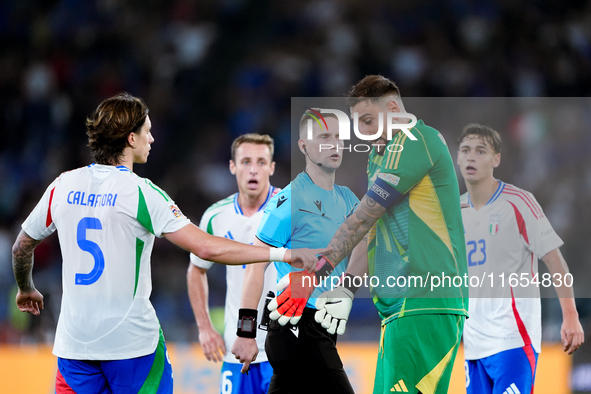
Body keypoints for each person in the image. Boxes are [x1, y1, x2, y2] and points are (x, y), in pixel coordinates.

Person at [11, 92, 321, 394]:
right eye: (147, 131)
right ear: (131, 139)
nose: (152, 139)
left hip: (74, 346)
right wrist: (281, 252)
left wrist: (26, 288)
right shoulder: (141, 192)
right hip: (131, 346)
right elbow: (206, 248)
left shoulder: (62, 185)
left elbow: (21, 247)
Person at [272, 75, 469, 394]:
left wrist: (315, 274)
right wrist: (347, 287)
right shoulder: (381, 153)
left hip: (424, 300)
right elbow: (372, 226)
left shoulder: (415, 140)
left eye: (367, 121)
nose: (362, 132)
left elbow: (362, 217)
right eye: (358, 125)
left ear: (393, 108)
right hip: (399, 307)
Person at [231, 109, 365, 394]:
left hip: (324, 326)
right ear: (304, 145)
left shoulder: (348, 199)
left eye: (339, 138)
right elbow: (256, 264)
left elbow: (365, 246)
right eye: (324, 137)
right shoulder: (289, 200)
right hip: (296, 324)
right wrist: (245, 332)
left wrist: (347, 290)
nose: (334, 145)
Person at [456, 123, 584, 394]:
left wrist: (570, 315)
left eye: (480, 151)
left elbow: (555, 261)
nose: (471, 156)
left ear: (496, 159)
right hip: (474, 343)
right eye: (465, 150)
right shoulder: (456, 211)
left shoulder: (519, 203)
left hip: (513, 339)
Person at [187, 133, 279, 394]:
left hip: (281, 350)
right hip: (236, 349)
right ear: (232, 166)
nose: (253, 169)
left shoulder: (289, 210)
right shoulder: (216, 216)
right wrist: (205, 328)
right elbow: (196, 270)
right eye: (246, 161)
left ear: (272, 168)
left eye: (261, 162)